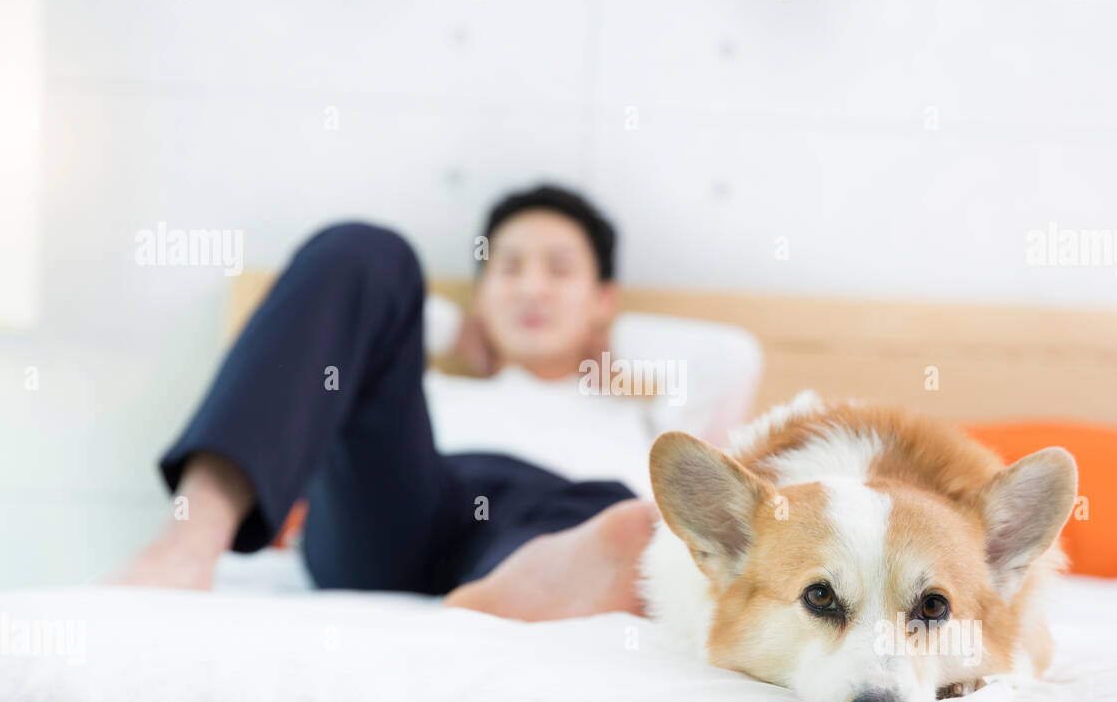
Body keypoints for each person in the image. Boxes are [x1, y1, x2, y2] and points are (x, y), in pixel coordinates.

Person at [117, 185, 760, 620]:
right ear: (479, 296)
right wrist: (459, 331)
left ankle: (531, 579)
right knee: (362, 248)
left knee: (617, 515)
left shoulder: (646, 415)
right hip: (402, 508)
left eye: (560, 270)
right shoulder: (424, 390)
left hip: (560, 524)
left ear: (604, 299)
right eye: (507, 269)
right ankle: (188, 546)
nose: (531, 287)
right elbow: (342, 317)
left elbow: (733, 357)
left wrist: (605, 344)